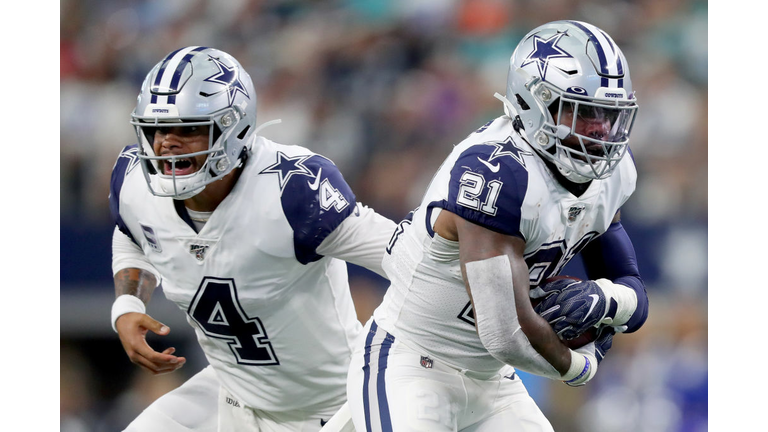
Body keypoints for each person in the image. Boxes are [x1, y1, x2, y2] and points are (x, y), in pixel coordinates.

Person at [346, 20, 649, 431]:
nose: (599, 132)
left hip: (493, 380)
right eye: (584, 113)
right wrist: (582, 366)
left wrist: (605, 300)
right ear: (534, 102)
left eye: (608, 116)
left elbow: (628, 282)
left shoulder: (613, 175)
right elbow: (503, 332)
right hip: (413, 364)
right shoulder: (496, 171)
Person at [108, 46, 396, 431]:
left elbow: (408, 257)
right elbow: (132, 232)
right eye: (158, 129)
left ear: (234, 127)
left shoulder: (290, 190)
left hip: (331, 409)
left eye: (189, 129)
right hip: (231, 392)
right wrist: (127, 304)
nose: (166, 144)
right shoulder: (135, 183)